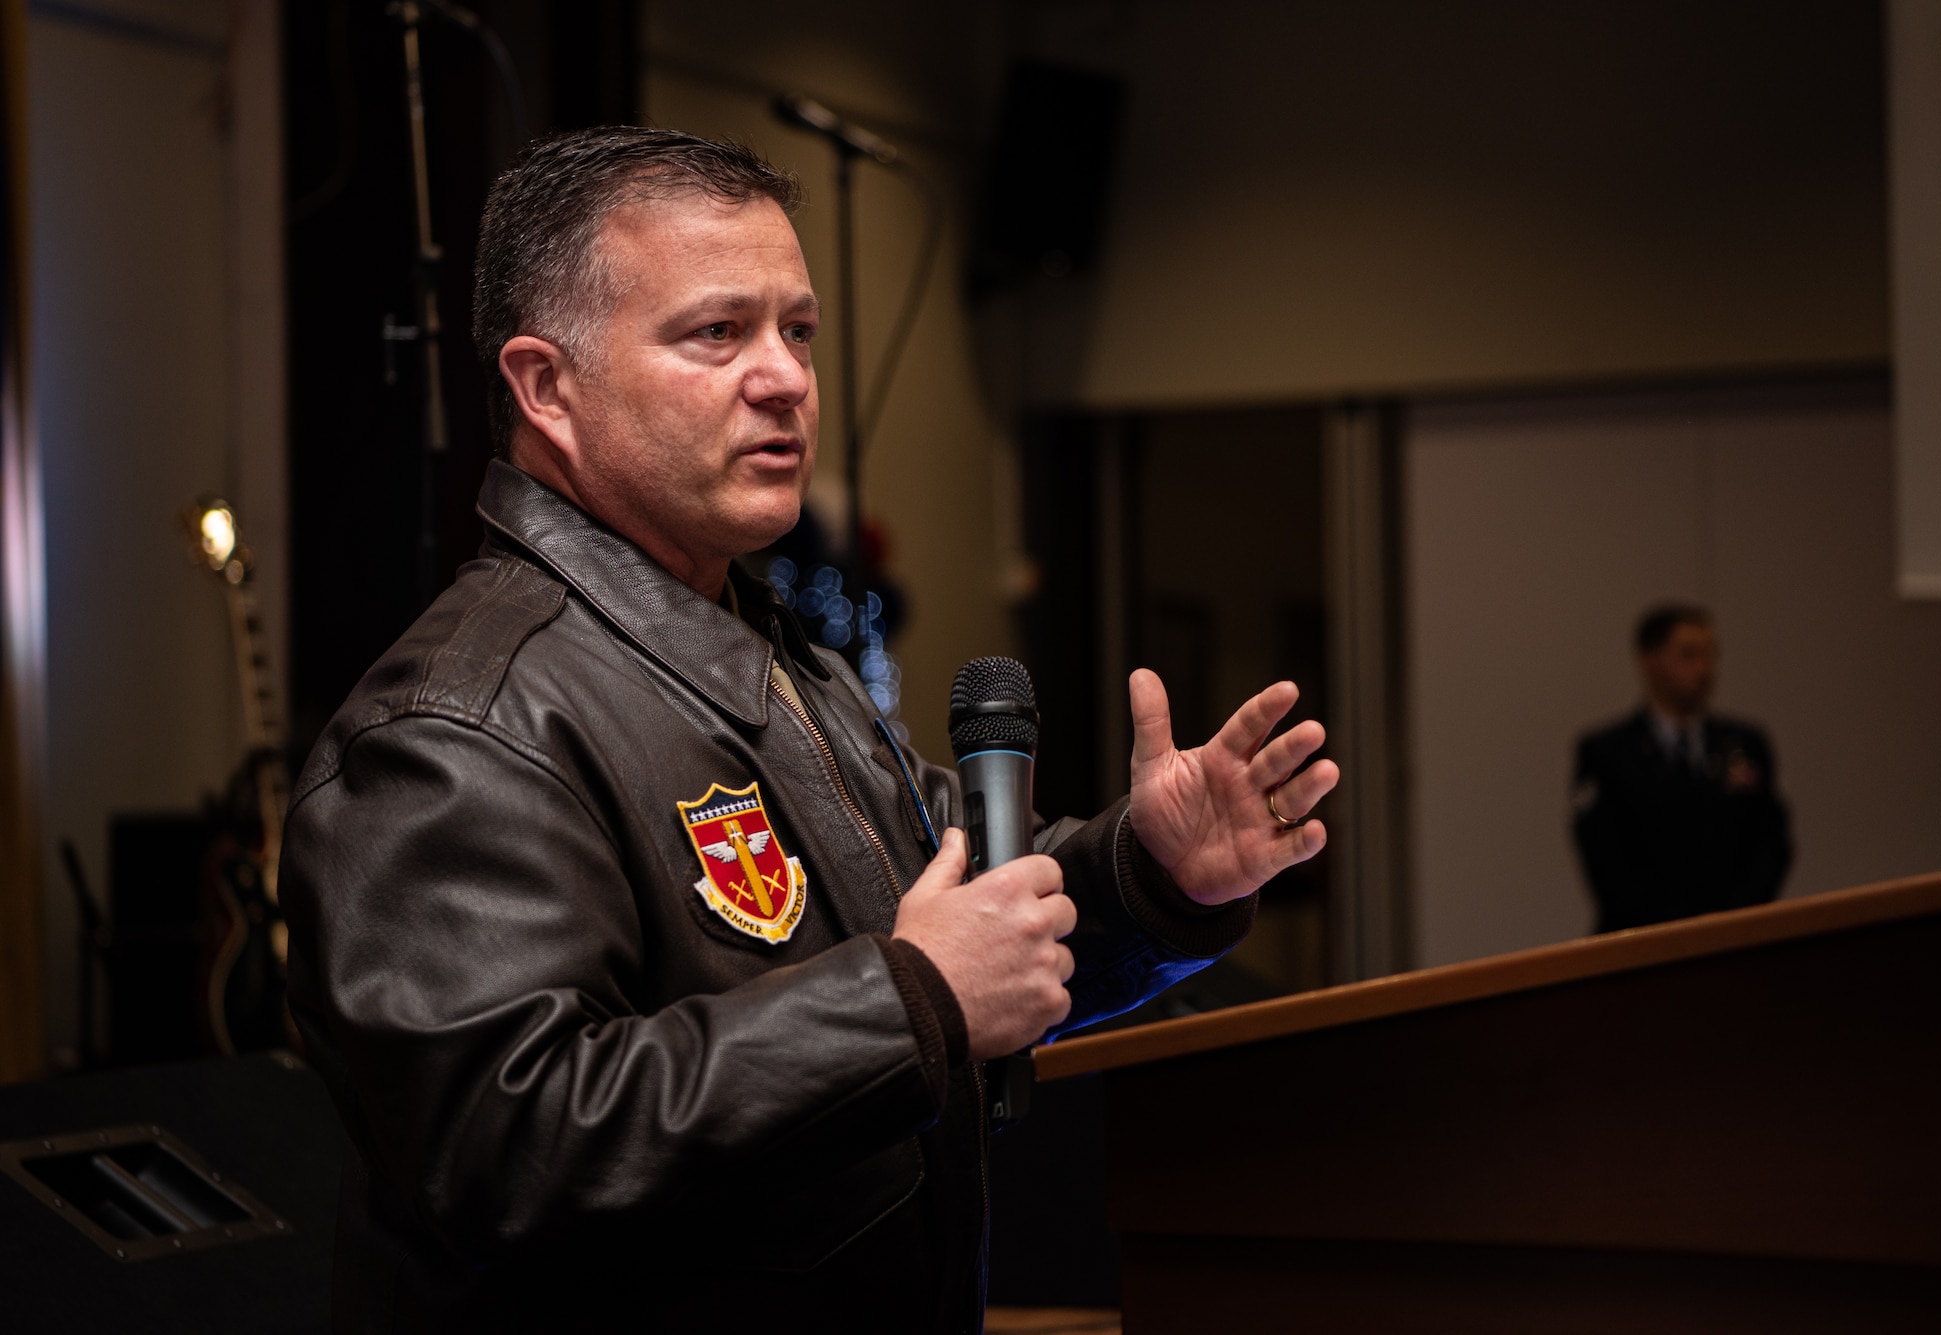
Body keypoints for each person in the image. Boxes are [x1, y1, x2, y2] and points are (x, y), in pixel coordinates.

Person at [278, 127, 1339, 1334]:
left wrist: (1152, 877)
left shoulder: (772, 656)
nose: (783, 377)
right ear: (544, 387)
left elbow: (982, 937)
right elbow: (505, 1149)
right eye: (715, 333)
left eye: (798, 331)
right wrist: (909, 1001)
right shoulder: (455, 730)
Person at [1570, 603, 1791, 933]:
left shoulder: (1743, 744)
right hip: (1642, 943)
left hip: (1737, 936)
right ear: (1650, 662)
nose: (1705, 669)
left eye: (1710, 654)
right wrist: (1677, 931)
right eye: (1689, 655)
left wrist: (1730, 919)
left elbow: (1771, 842)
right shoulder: (1608, 752)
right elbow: (1606, 860)